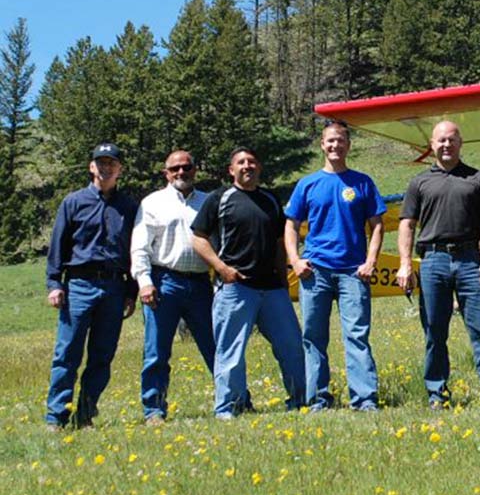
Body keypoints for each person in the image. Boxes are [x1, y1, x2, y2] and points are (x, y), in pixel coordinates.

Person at [397, 121, 480, 408]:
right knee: (434, 331)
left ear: (461, 143)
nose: (447, 145)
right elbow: (407, 224)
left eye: (452, 140)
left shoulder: (477, 178)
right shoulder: (419, 182)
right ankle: (437, 395)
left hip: (471, 260)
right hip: (433, 261)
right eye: (441, 140)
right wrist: (405, 264)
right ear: (432, 145)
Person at [191, 146, 305, 419]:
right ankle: (230, 406)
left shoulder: (270, 199)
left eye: (252, 162)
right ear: (231, 170)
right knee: (230, 352)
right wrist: (221, 268)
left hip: (273, 289)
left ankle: (302, 399)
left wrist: (282, 276)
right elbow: (198, 237)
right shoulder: (220, 198)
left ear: (259, 167)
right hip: (235, 287)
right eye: (241, 162)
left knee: (292, 347)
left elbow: (280, 241)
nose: (247, 166)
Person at [285, 120, 386, 412]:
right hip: (315, 272)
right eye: (330, 141)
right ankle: (318, 399)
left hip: (353, 272)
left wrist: (370, 261)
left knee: (356, 336)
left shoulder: (362, 182)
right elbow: (291, 225)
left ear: (348, 146)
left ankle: (365, 400)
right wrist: (295, 260)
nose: (335, 146)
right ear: (322, 145)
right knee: (313, 337)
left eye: (340, 141)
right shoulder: (307, 184)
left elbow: (377, 225)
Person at [44, 142, 138, 429]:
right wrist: (54, 283)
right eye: (100, 162)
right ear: (91, 167)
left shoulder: (129, 207)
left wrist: (131, 292)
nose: (106, 167)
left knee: (102, 354)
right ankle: (56, 417)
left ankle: (85, 413)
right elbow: (58, 246)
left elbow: (136, 250)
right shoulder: (73, 202)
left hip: (114, 287)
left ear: (120, 169)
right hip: (79, 285)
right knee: (67, 352)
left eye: (112, 163)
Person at [131, 149, 225, 424]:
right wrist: (144, 282)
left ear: (195, 170)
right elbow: (139, 246)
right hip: (164, 283)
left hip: (200, 283)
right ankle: (154, 410)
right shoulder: (152, 203)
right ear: (166, 173)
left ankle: (232, 400)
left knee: (216, 347)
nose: (181, 173)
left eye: (186, 167)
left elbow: (220, 241)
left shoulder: (209, 201)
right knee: (156, 351)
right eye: (175, 169)